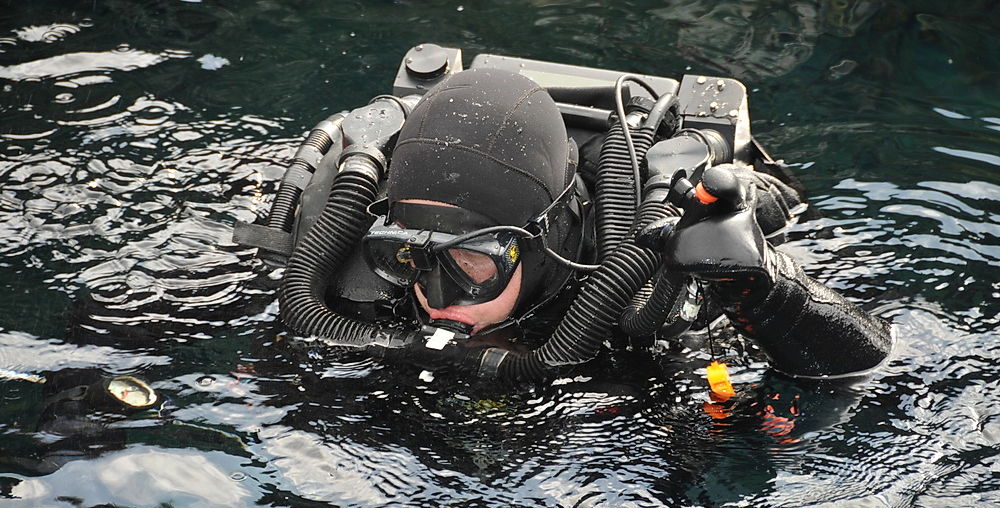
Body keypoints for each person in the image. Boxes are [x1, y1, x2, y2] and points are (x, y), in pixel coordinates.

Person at [235, 48, 893, 382]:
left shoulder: (639, 294)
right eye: (406, 254)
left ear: (545, 240)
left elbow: (873, 371)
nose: (434, 300)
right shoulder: (352, 277)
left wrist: (765, 288)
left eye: (473, 263)